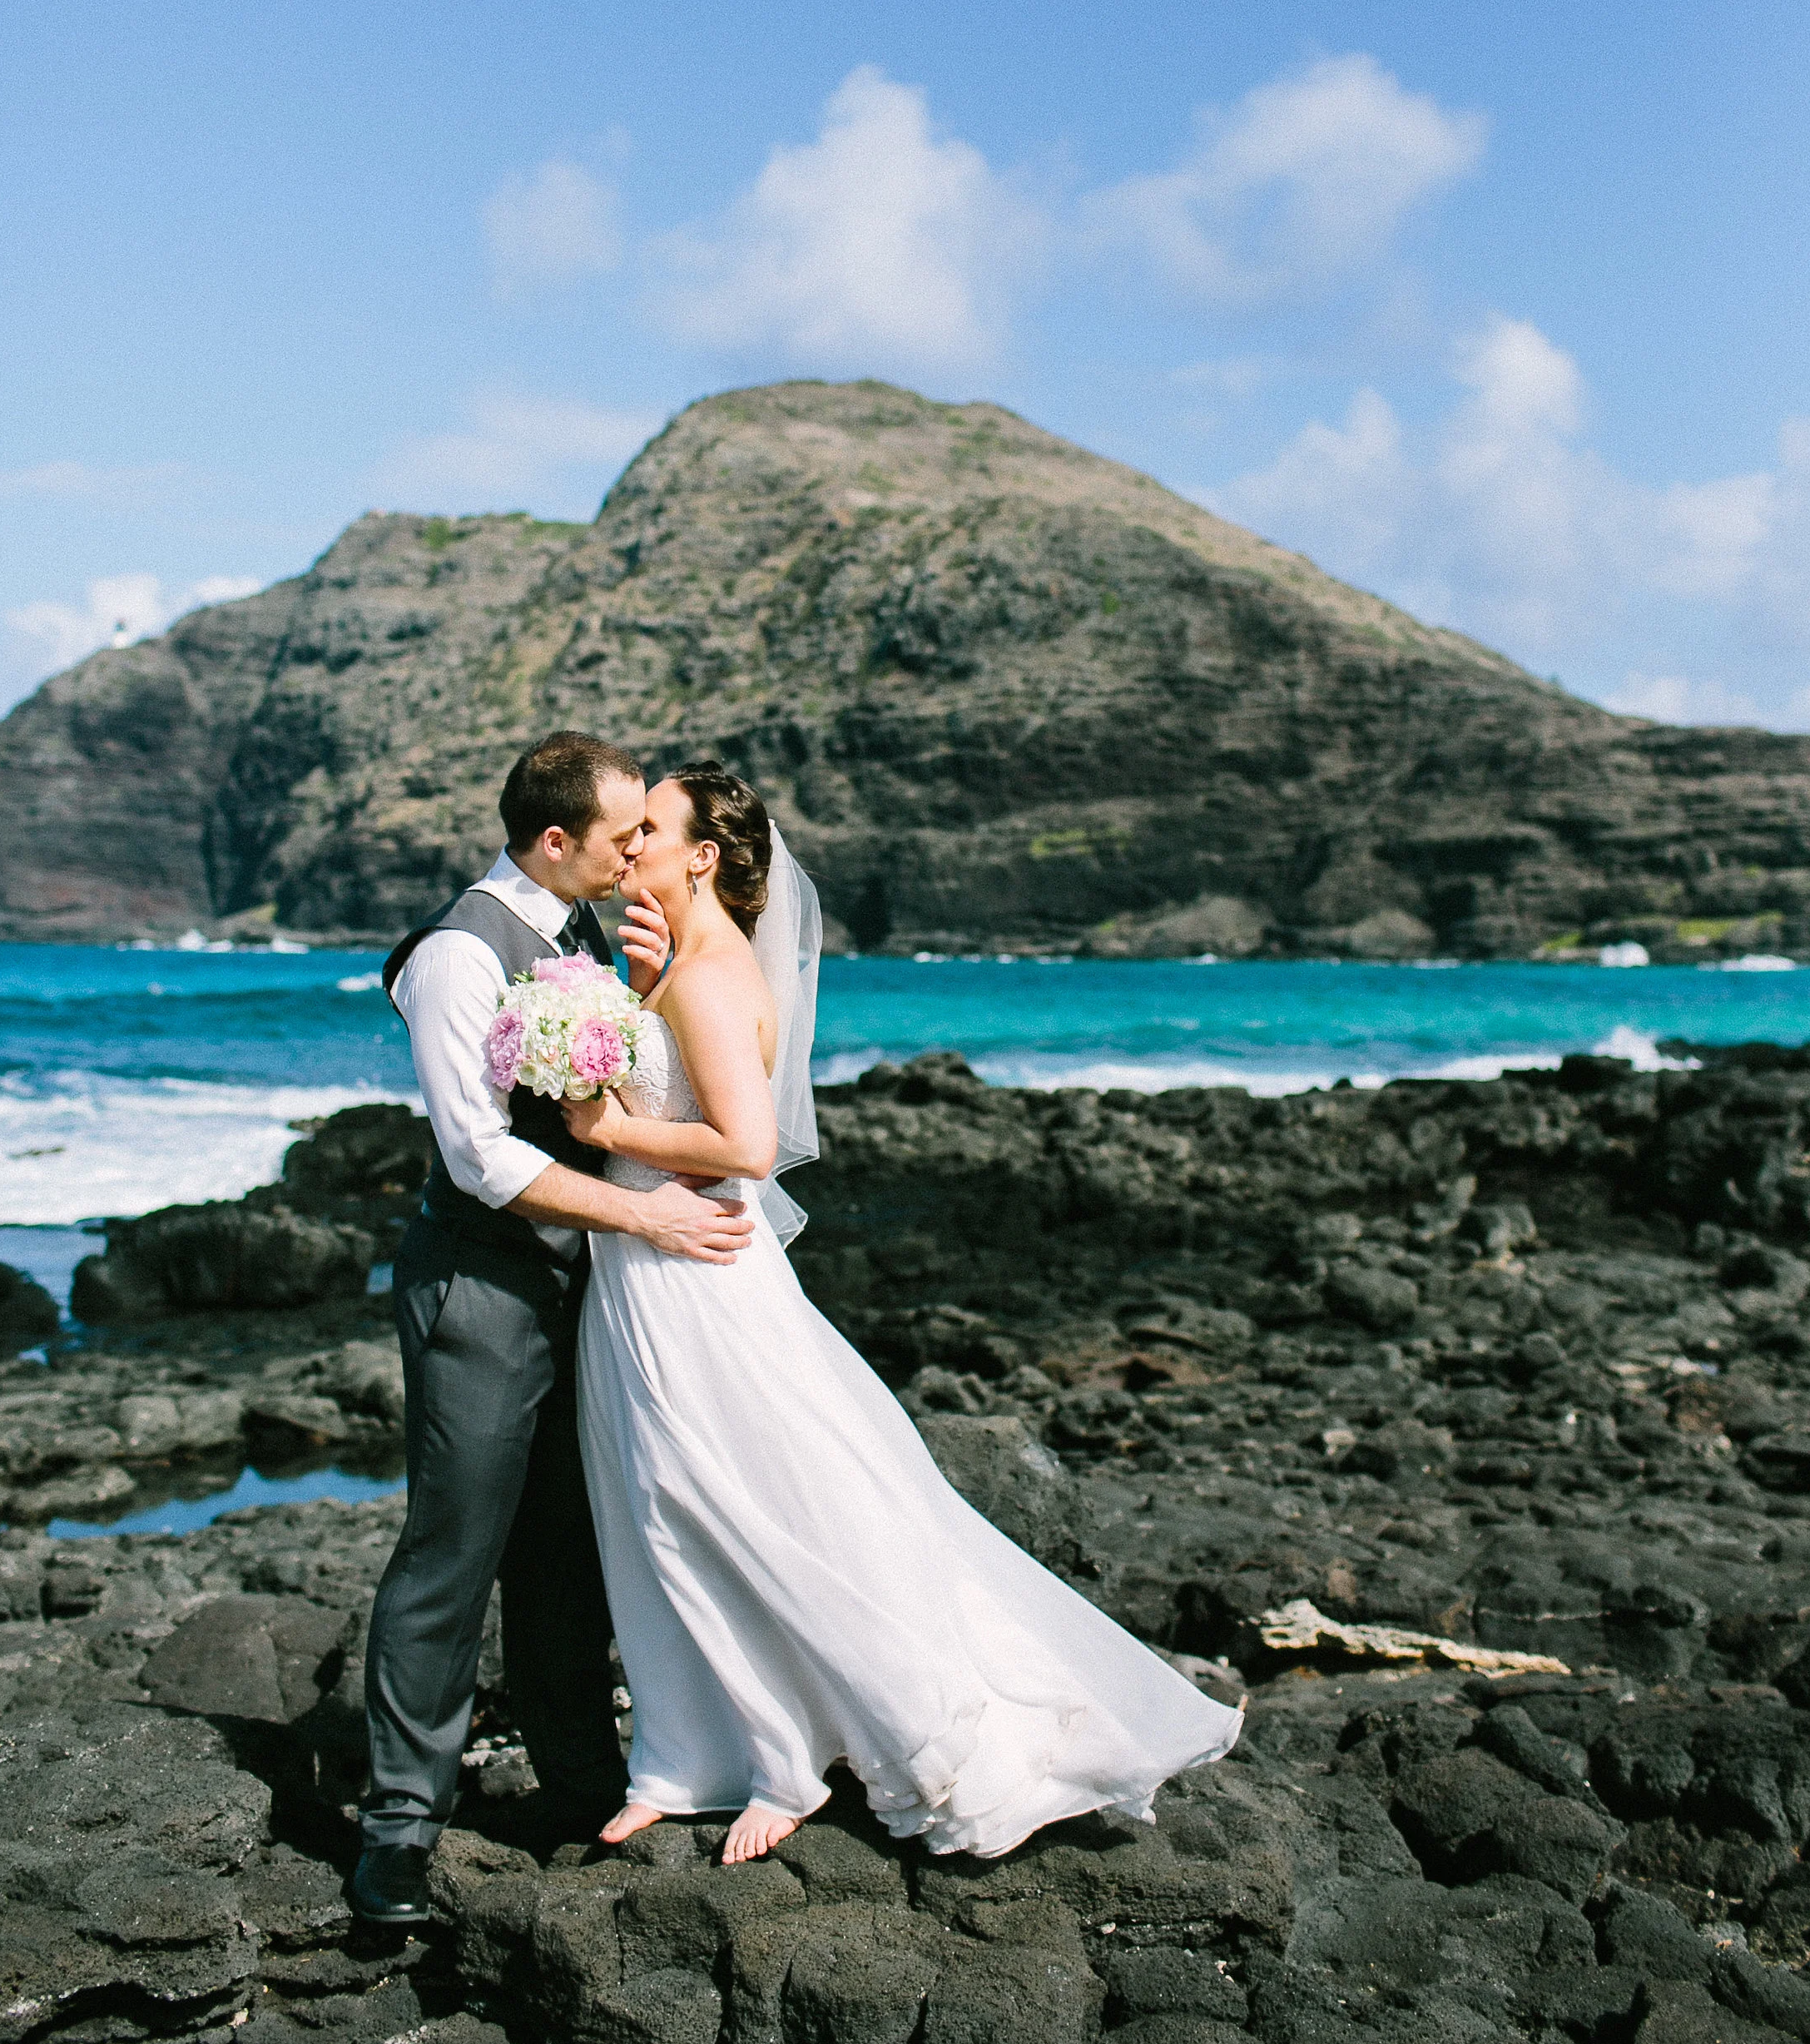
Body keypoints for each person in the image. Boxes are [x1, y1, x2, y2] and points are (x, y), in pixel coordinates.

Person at [564, 758, 1243, 1868]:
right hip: (645, 1264)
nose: (626, 844)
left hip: (697, 1271)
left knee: (730, 1503)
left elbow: (742, 1146)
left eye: (650, 829)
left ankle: (796, 1759)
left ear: (700, 856)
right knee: (665, 1507)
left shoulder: (707, 973)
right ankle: (697, 1754)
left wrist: (601, 1130)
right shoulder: (673, 963)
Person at [350, 732, 756, 1927]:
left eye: (648, 831)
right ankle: (397, 1837)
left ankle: (579, 1785)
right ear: (553, 840)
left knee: (566, 1549)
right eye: (623, 832)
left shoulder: (589, 931)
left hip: (583, 1293)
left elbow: (598, 1099)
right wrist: (653, 1223)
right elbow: (478, 1159)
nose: (641, 850)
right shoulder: (453, 959)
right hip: (479, 1290)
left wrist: (638, 985)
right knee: (451, 1553)